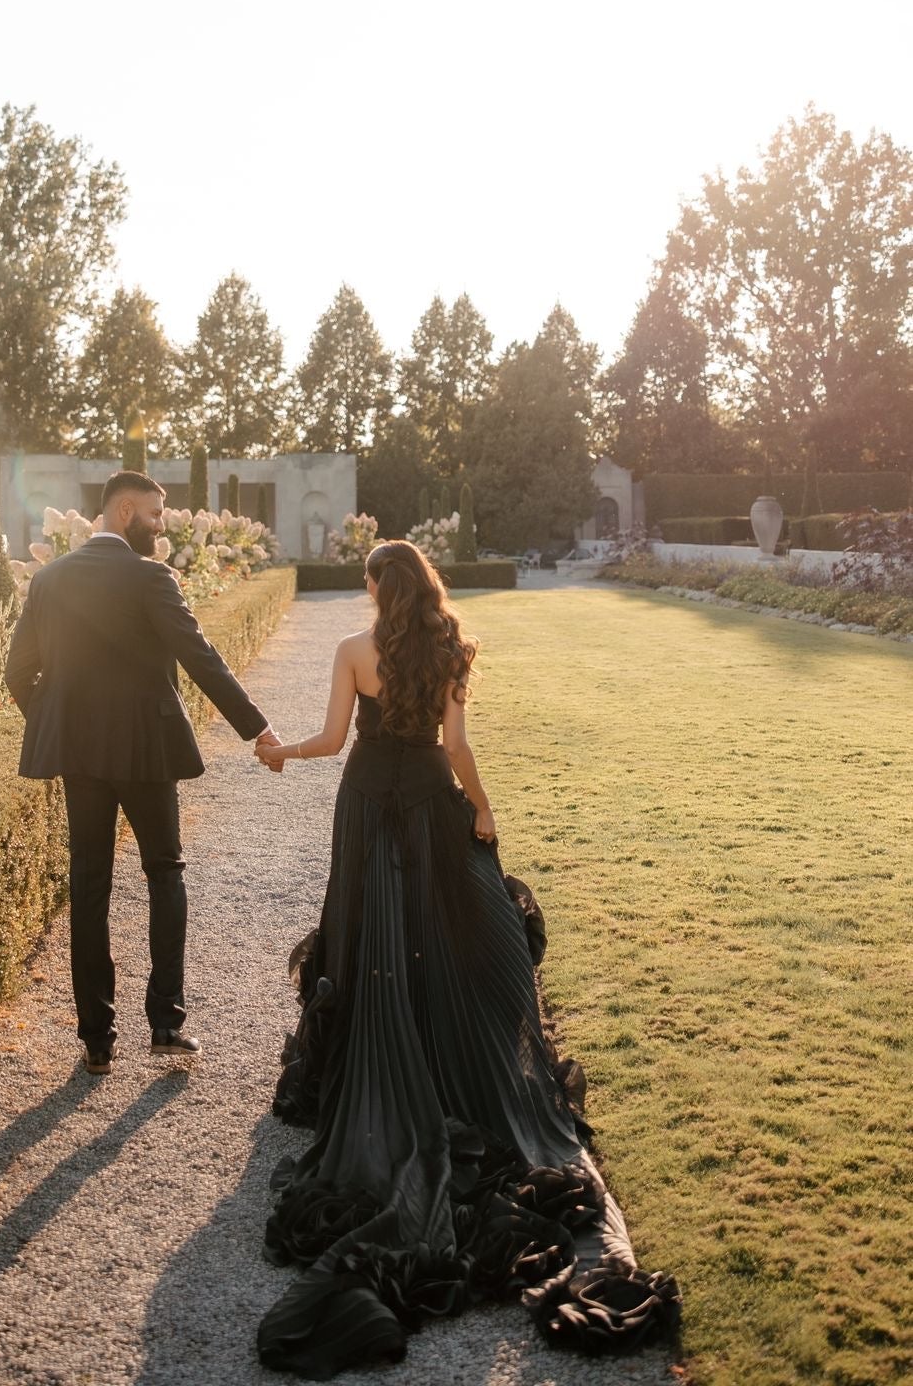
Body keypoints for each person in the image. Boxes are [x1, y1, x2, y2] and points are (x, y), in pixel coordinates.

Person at [255, 539, 679, 1372]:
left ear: (381, 589)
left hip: (368, 808)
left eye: (370, 581)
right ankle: (450, 1059)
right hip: (425, 803)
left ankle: (380, 1055)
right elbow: (454, 748)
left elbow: (336, 740)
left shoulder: (351, 650)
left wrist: (282, 754)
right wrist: (483, 813)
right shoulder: (449, 646)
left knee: (370, 934)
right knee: (449, 932)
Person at [5, 470, 283, 1073]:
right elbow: (200, 657)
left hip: (80, 757)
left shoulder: (49, 580)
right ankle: (165, 1025)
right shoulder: (150, 576)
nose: (163, 526)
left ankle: (97, 1042)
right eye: (156, 515)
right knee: (165, 871)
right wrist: (257, 729)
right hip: (145, 751)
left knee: (89, 886)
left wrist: (62, 721)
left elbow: (17, 670)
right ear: (125, 509)